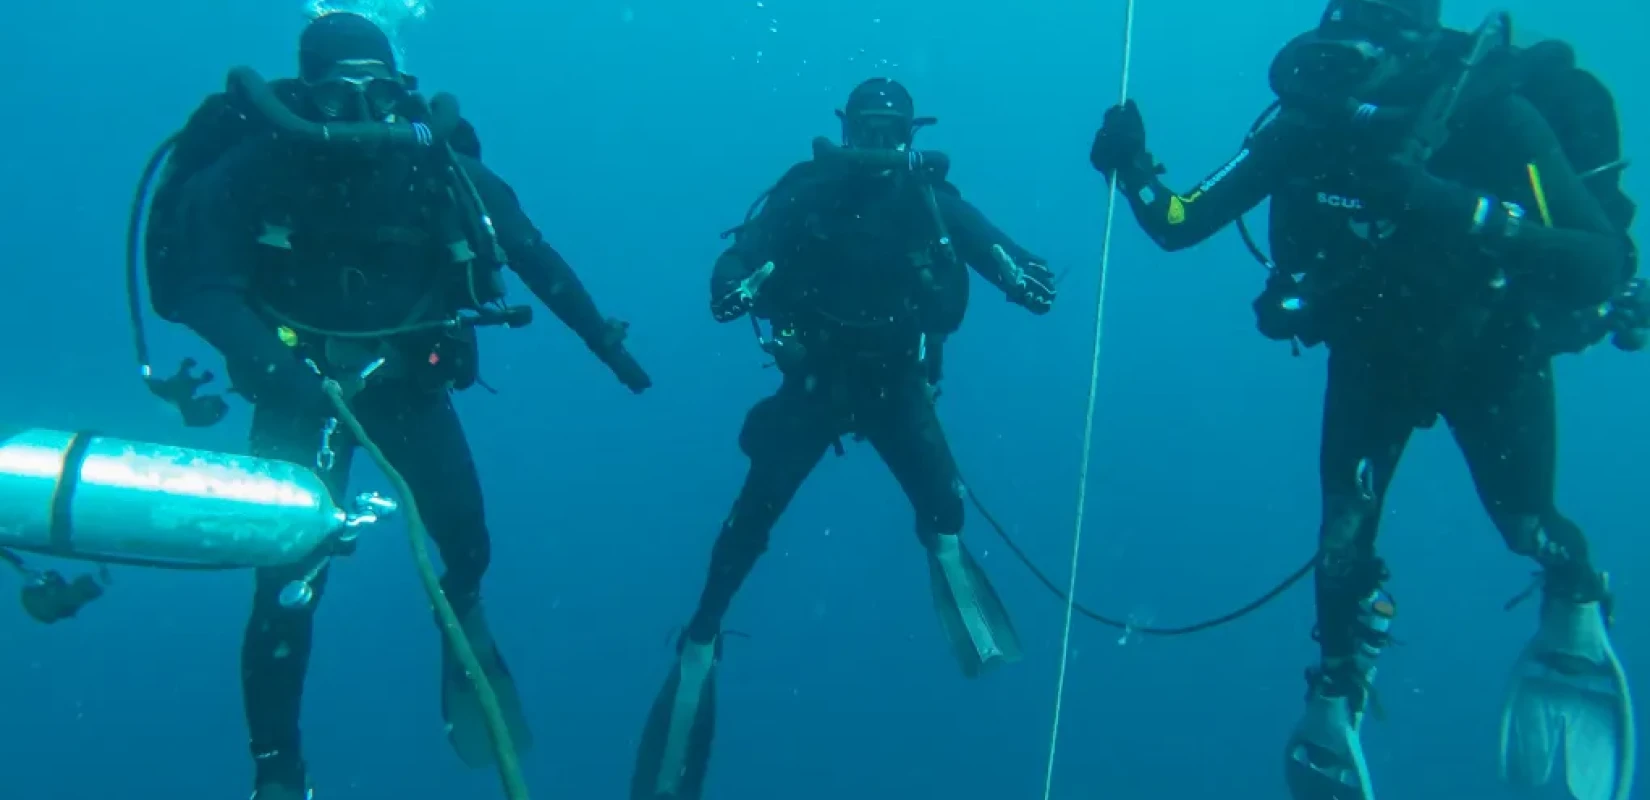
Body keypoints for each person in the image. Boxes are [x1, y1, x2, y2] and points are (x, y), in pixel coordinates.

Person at [1087, 3, 1639, 800]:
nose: (1345, 74)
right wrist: (1132, 165)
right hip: (1372, 359)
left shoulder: (1494, 116)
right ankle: (1337, 685)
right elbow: (1181, 223)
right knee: (1342, 537)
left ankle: (1575, 591)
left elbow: (1599, 267)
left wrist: (1453, 205)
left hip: (1490, 352)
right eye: (1336, 51)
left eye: (1366, 53)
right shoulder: (1303, 126)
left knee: (1527, 525)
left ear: (1411, 54)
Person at [154, 13, 652, 799]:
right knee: (286, 587)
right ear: (302, 92)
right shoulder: (257, 166)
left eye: (379, 90)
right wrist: (288, 377)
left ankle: (462, 614)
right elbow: (197, 287)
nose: (359, 112)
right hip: (301, 397)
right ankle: (278, 769)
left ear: (401, 89)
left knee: (468, 543)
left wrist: (606, 344)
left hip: (408, 388)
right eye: (335, 92)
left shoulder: (435, 167)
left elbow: (529, 252)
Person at [628, 78, 1057, 800]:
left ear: (910, 136)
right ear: (848, 128)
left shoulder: (928, 200)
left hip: (894, 387)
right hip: (816, 386)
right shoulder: (807, 193)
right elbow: (742, 257)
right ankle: (701, 641)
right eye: (870, 129)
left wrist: (1025, 277)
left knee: (944, 508)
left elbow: (999, 251)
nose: (880, 144)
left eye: (892, 132)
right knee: (750, 522)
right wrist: (730, 288)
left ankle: (947, 562)